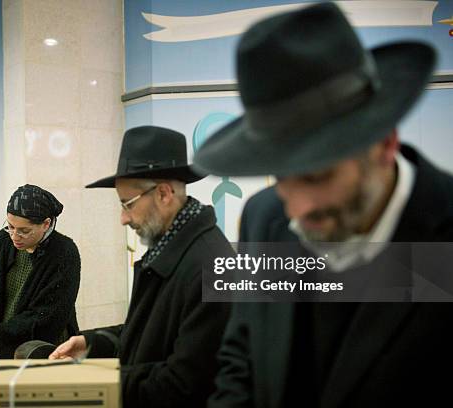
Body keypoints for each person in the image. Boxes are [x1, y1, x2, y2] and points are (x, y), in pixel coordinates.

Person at [194, 3, 453, 406]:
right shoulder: (264, 218)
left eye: (317, 176)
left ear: (384, 143)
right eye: (280, 176)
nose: (296, 211)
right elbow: (240, 359)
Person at [49, 126, 233, 408]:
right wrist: (93, 344)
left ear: (164, 194)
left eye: (128, 204)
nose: (123, 218)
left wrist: (92, 383)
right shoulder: (168, 248)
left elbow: (184, 383)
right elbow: (150, 333)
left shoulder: (210, 267)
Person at [0, 185, 81, 358]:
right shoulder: (3, 239)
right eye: (10, 226)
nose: (14, 236)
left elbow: (45, 316)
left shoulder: (64, 253)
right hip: (1, 340)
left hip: (43, 347)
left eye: (24, 231)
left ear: (46, 224)